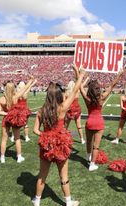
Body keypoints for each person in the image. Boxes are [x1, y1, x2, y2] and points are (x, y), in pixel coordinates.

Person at [32, 66, 85, 206]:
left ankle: (36, 201)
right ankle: (68, 202)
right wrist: (78, 73)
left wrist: (46, 136)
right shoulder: (62, 108)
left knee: (42, 176)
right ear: (59, 95)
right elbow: (75, 90)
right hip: (61, 145)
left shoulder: (40, 111)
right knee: (64, 176)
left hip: (46, 146)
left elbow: (35, 130)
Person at [80, 69, 124, 171]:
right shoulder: (102, 97)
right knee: (96, 146)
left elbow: (80, 87)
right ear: (98, 90)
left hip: (89, 122)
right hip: (99, 123)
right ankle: (92, 164)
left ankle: (88, 156)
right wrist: (119, 75)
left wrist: (78, 73)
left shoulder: (87, 99)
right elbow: (112, 85)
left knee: (89, 141)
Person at [0, 77, 36, 163]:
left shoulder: (1, 99)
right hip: (15, 119)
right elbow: (25, 88)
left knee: (4, 139)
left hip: (6, 119)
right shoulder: (15, 96)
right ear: (13, 88)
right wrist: (30, 80)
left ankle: (2, 157)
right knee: (17, 139)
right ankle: (19, 157)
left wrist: (7, 114)